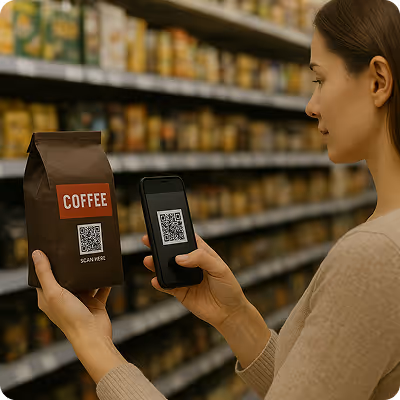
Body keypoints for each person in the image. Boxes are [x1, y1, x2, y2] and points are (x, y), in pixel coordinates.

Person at [31, 0, 400, 399]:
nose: (311, 107)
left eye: (319, 80)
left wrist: (92, 343)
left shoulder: (375, 255)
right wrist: (235, 317)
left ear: (378, 81)